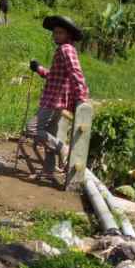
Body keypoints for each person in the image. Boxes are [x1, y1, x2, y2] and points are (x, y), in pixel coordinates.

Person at [26, 15, 89, 175]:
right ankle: (48, 170)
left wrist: (82, 95)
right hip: (56, 100)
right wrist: (39, 69)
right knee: (50, 134)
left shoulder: (66, 49)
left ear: (68, 35)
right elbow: (54, 76)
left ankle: (63, 149)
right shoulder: (64, 49)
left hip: (53, 101)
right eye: (55, 32)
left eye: (60, 33)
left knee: (32, 128)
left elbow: (76, 72)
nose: (56, 35)